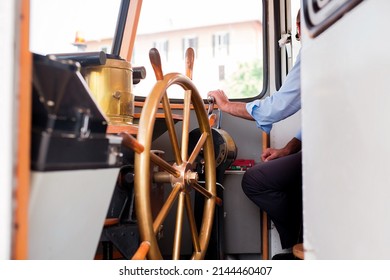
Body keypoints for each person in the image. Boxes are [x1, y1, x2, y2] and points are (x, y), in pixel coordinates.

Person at [207, 10, 302, 259]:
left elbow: (277, 107)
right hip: (325, 146)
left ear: (300, 27)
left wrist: (226, 106)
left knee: (255, 180)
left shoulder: (316, 54)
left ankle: (298, 244)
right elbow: (319, 115)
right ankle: (300, 244)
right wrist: (288, 149)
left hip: (328, 150)